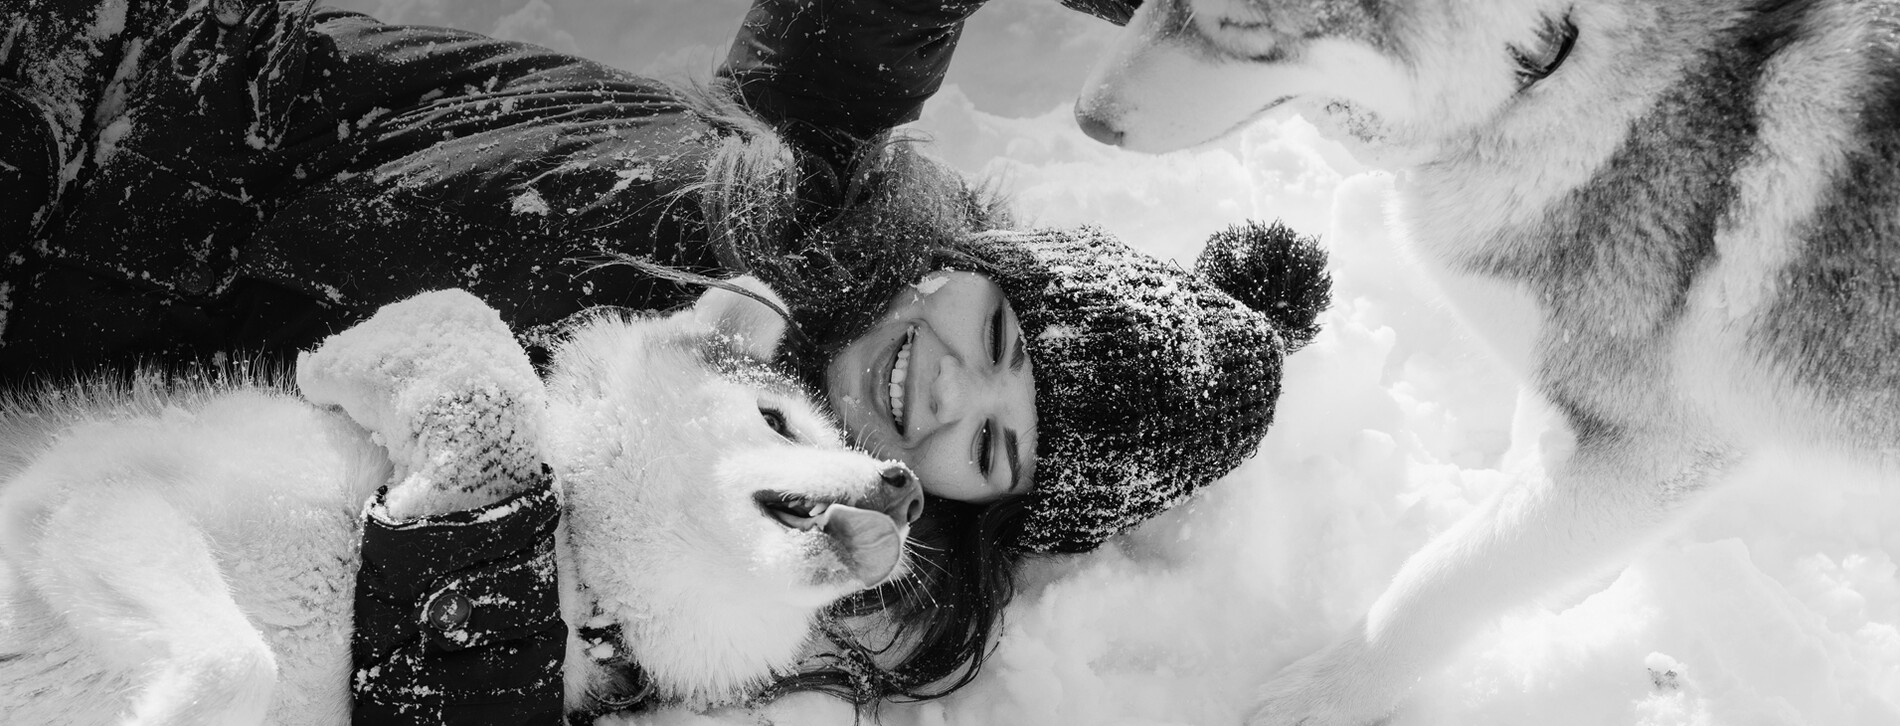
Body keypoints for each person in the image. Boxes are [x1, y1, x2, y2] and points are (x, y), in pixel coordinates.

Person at [0, 0, 1330, 722]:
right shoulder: (779, 183)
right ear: (966, 262)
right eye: (991, 335)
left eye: (989, 441)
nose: (943, 387)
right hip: (106, 103)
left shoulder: (733, 528)